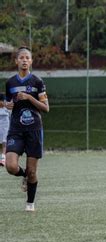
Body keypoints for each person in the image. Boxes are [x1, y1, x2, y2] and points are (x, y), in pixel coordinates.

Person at [4, 46, 49, 212]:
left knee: (32, 172)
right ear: (16, 61)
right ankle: (22, 175)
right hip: (16, 129)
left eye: (27, 58)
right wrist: (9, 105)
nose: (24, 60)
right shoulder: (10, 83)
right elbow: (9, 103)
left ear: (31, 61)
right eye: (21, 58)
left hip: (34, 130)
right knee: (10, 166)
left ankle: (30, 203)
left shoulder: (37, 82)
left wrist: (30, 97)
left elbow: (46, 108)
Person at [0, 93, 10, 166]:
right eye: (2, 101)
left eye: (4, 101)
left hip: (5, 126)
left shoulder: (7, 107)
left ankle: (3, 159)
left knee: (4, 142)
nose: (3, 102)